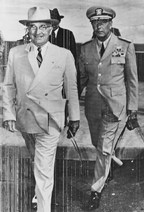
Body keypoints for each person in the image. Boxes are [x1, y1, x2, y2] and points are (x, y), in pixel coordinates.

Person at [2, 6, 80, 212]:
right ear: (27, 29)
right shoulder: (15, 53)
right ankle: (40, 191)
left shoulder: (64, 55)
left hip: (50, 120)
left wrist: (74, 118)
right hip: (25, 119)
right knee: (37, 159)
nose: (38, 32)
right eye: (33, 27)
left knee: (44, 169)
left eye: (43, 27)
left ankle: (43, 207)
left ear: (51, 28)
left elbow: (71, 87)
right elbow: (8, 85)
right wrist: (8, 113)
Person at [79, 6, 138, 211]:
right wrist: (69, 109)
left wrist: (133, 110)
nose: (99, 25)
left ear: (111, 23)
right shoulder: (86, 48)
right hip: (93, 106)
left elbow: (132, 81)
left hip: (115, 107)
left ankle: (95, 190)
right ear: (92, 24)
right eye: (95, 22)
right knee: (99, 144)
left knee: (104, 147)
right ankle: (108, 166)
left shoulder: (125, 46)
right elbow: (82, 80)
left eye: (103, 22)